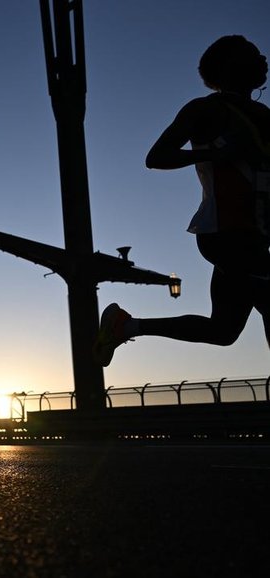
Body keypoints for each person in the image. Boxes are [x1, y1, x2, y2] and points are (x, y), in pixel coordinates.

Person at [94, 35, 270, 367]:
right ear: (227, 67)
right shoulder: (206, 109)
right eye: (252, 54)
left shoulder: (263, 114)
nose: (262, 59)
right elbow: (157, 157)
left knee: (223, 331)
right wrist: (213, 153)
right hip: (227, 232)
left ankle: (126, 326)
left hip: (254, 236)